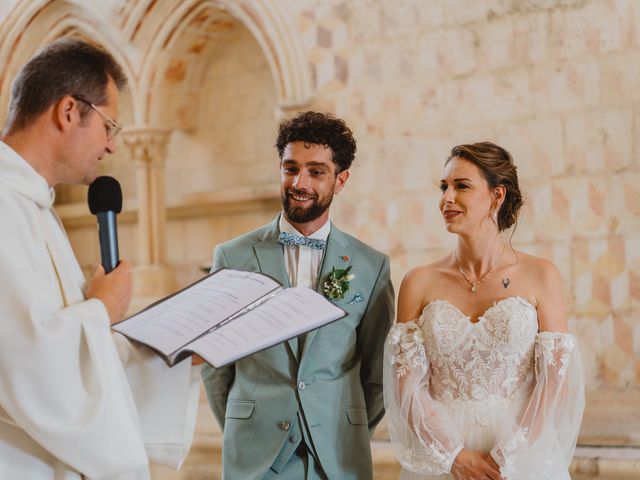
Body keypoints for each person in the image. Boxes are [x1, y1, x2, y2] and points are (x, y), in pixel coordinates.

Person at [0, 39, 201, 479]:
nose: (111, 146)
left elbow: (74, 356)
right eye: (109, 126)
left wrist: (176, 354)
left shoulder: (34, 206)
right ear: (69, 111)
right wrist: (102, 308)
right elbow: (24, 364)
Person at [201, 111, 395, 479]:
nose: (299, 182)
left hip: (338, 458)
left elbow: (377, 373)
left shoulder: (372, 267)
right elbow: (216, 364)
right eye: (290, 168)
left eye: (316, 171)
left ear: (341, 181)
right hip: (256, 457)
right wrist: (248, 424)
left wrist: (342, 429)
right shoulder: (232, 257)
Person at [383, 142, 585, 480]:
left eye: (461, 186)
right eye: (443, 187)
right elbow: (408, 389)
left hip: (522, 456)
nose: (446, 198)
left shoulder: (540, 274)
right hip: (441, 458)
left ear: (497, 195)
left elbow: (554, 382)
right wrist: (454, 457)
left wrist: (506, 458)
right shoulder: (418, 282)